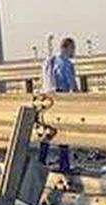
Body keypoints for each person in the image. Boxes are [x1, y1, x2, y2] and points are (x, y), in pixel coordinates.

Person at [39, 38, 78, 172]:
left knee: (48, 131)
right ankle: (64, 164)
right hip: (61, 98)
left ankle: (41, 160)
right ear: (66, 48)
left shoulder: (49, 61)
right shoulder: (66, 63)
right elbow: (71, 84)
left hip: (47, 99)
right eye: (73, 48)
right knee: (63, 131)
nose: (74, 52)